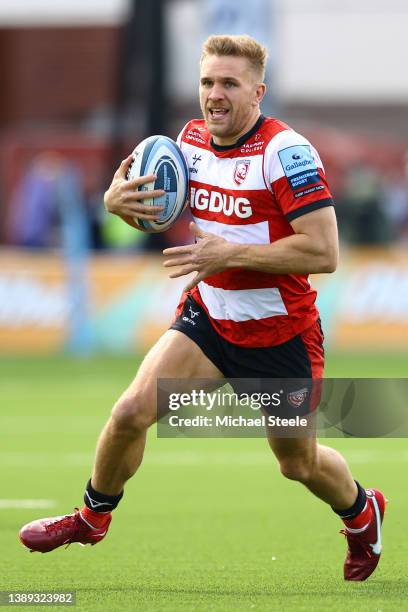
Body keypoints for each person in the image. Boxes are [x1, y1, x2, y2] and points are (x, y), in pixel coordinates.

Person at [19, 34, 385, 582]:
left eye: (229, 84)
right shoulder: (186, 142)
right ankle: (92, 517)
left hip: (280, 336)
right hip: (209, 319)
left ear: (258, 93)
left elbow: (324, 252)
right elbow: (143, 203)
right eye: (207, 82)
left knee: (297, 464)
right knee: (129, 414)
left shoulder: (285, 153)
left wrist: (229, 252)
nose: (214, 95)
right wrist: (113, 202)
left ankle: (362, 512)